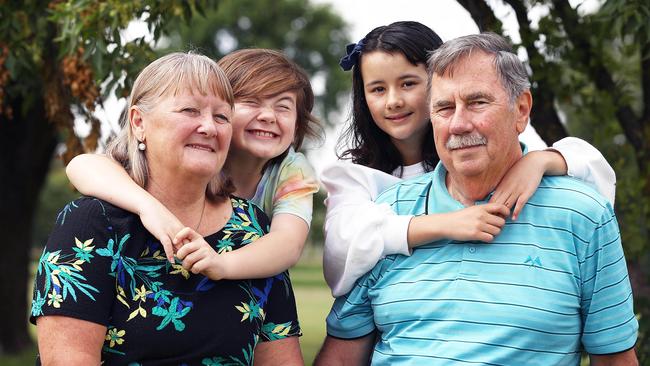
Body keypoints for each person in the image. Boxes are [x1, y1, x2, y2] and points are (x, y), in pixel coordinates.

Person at [316, 33, 638, 365]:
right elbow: (341, 357)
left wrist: (543, 159)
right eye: (443, 107)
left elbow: (615, 358)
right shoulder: (387, 212)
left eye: (477, 102)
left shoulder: (582, 215)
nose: (458, 123)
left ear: (521, 110)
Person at [30, 52, 302, 365]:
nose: (209, 127)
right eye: (190, 110)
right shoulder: (93, 223)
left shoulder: (252, 227)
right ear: (138, 122)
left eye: (222, 116)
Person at [65, 49, 319, 280]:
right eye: (252, 102)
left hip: (236, 276)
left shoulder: (291, 170)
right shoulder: (201, 150)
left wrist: (222, 265)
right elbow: (82, 165)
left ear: (298, 124)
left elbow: (288, 243)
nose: (267, 116)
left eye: (283, 107)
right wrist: (148, 207)